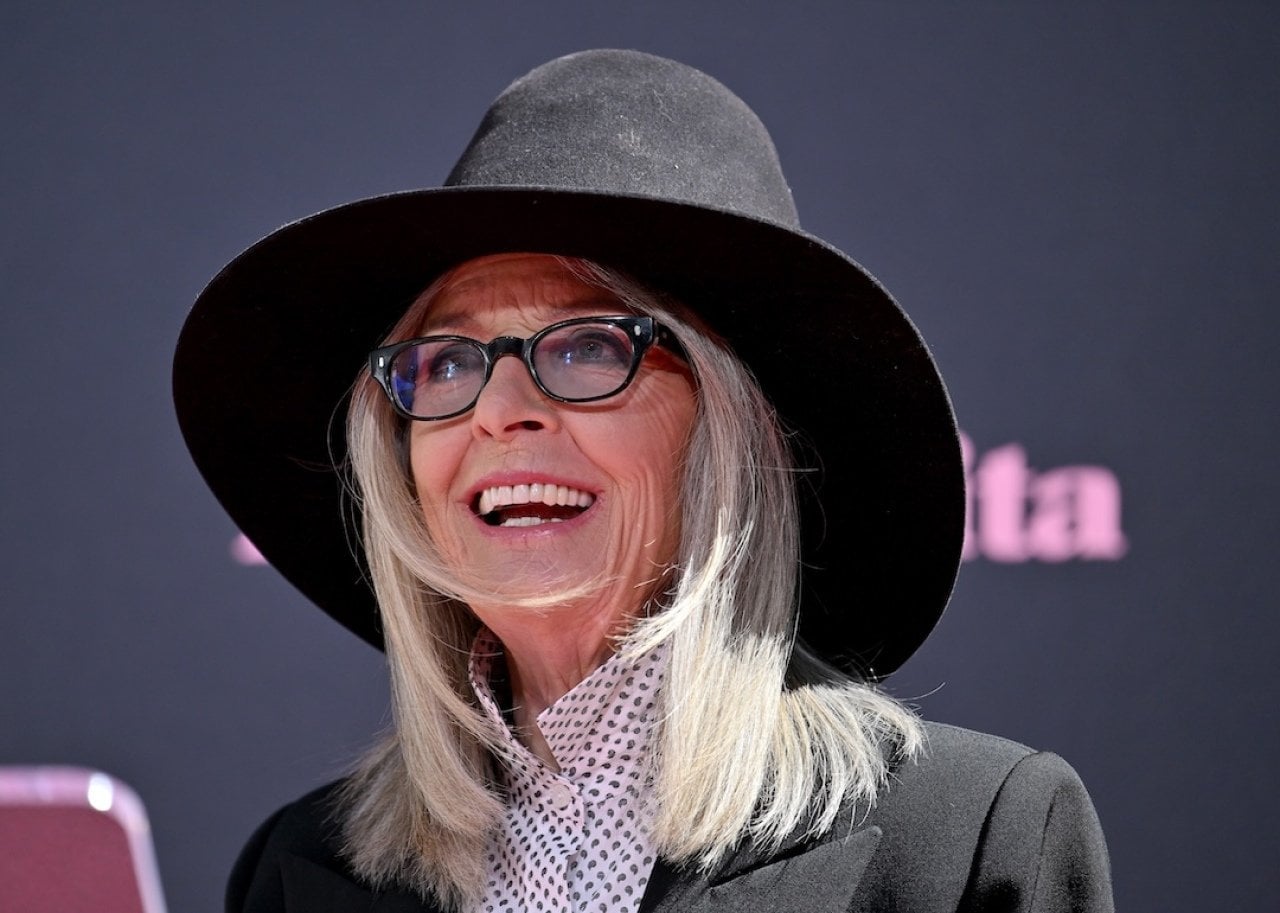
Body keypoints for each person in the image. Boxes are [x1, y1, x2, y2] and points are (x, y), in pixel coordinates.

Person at [175, 49, 1113, 913]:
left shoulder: (970, 843)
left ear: (733, 429)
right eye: (448, 361)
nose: (498, 409)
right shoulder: (301, 868)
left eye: (587, 345)